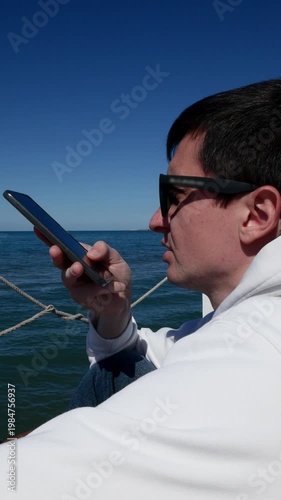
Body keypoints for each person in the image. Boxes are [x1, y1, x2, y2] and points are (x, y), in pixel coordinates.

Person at [1, 78, 281, 499]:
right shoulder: (238, 329)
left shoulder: (248, 371)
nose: (155, 219)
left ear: (256, 214)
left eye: (173, 194)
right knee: (111, 373)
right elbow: (164, 355)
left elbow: (19, 482)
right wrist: (112, 310)